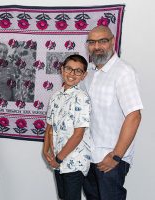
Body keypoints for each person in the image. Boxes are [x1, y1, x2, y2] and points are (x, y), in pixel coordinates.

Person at [82, 25, 143, 200]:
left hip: (110, 158)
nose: (97, 46)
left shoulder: (124, 72)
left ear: (112, 42)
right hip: (89, 157)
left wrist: (116, 156)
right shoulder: (90, 73)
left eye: (102, 41)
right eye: (92, 42)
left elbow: (134, 116)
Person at [43, 54, 91, 200]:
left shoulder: (81, 98)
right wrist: (46, 150)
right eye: (69, 69)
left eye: (78, 71)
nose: (72, 74)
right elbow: (49, 127)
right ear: (62, 70)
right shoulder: (55, 96)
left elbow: (78, 134)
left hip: (74, 161)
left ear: (84, 75)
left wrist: (58, 159)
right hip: (58, 160)